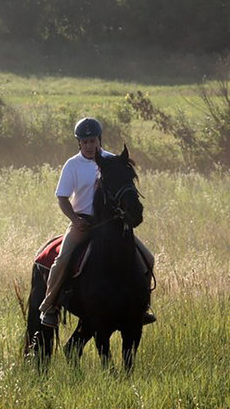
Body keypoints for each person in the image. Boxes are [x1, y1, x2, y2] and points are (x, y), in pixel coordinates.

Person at [39, 117, 157, 328]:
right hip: (82, 222)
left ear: (99, 140)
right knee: (62, 259)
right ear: (79, 143)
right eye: (85, 142)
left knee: (148, 258)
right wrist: (74, 220)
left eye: (93, 141)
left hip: (113, 222)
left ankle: (142, 306)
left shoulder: (112, 161)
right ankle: (50, 307)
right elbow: (62, 198)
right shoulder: (72, 165)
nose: (89, 146)